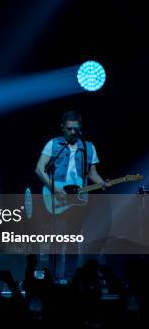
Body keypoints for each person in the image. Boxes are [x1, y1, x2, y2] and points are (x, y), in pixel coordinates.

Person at [35, 111, 109, 280]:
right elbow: (39, 168)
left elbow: (92, 173)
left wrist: (102, 182)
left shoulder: (88, 147)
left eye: (76, 129)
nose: (73, 132)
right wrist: (53, 188)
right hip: (57, 197)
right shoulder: (54, 145)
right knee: (56, 239)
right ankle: (52, 278)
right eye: (69, 129)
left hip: (78, 199)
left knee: (73, 240)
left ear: (80, 127)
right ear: (63, 127)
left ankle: (69, 278)